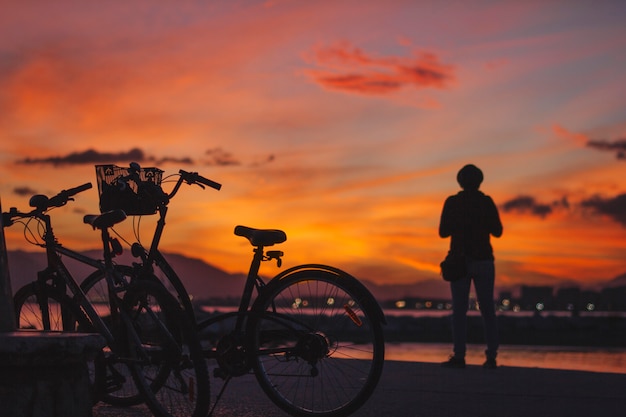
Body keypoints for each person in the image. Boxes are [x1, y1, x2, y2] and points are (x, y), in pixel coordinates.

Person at [438, 164, 503, 369]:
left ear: (460, 181)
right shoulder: (486, 202)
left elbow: (442, 232)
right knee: (488, 310)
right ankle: (491, 356)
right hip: (484, 259)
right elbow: (498, 231)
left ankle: (459, 355)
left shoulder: (453, 202)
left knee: (459, 310)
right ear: (479, 181)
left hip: (460, 260)